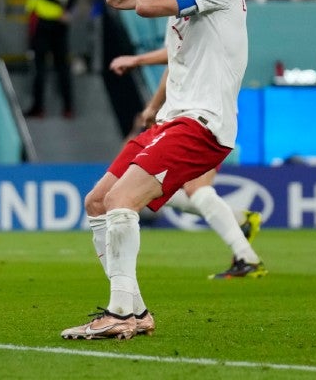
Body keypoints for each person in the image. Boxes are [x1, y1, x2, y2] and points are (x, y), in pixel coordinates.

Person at [61, 0, 253, 340]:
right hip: (170, 119)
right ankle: (135, 310)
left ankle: (120, 313)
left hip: (202, 122)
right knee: (98, 201)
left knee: (122, 200)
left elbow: (146, 4)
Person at [109, 47, 266, 278]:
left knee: (196, 189)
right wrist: (154, 106)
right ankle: (237, 219)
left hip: (207, 119)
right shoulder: (184, 28)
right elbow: (175, 61)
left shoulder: (205, 20)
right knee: (147, 187)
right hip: (179, 120)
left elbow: (176, 52)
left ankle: (247, 256)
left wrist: (137, 60)